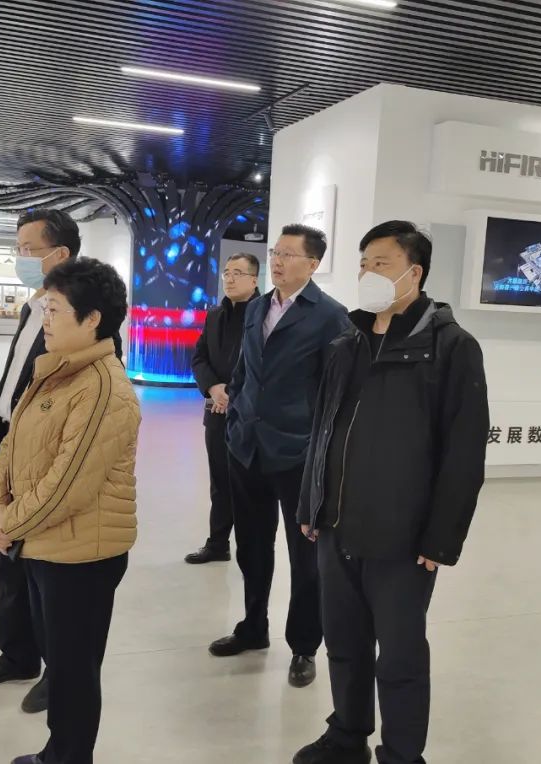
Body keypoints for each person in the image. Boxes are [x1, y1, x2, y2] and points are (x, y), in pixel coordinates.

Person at [292, 221, 490, 764]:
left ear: (414, 272)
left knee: (399, 656)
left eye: (381, 263)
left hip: (402, 538)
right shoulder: (346, 343)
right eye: (364, 263)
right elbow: (324, 431)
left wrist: (441, 538)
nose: (368, 273)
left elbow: (464, 453)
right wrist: (312, 502)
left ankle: (402, 754)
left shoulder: (451, 348)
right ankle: (347, 734)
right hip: (336, 526)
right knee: (344, 642)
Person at [0, 258, 139, 764]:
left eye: (54, 310)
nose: (44, 320)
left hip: (81, 555)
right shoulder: (56, 371)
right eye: (44, 309)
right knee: (61, 659)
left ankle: (68, 757)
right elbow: (10, 445)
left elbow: (66, 487)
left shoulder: (102, 389)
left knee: (72, 672)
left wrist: (8, 525)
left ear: (92, 319)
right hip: (44, 544)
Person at [209, 223, 350, 689]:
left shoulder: (330, 316)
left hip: (297, 455)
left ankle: (304, 646)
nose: (278, 260)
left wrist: (319, 448)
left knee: (305, 557)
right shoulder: (256, 307)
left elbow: (337, 391)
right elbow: (245, 371)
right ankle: (253, 626)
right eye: (276, 252)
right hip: (246, 448)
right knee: (251, 546)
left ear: (313, 263)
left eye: (289, 254)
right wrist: (236, 419)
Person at [0, 209, 81, 714]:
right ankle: (17, 655)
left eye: (29, 249)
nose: (21, 258)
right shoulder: (35, 305)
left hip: (45, 452)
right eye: (18, 248)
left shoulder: (78, 314)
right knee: (8, 551)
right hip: (9, 437)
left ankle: (59, 671)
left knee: (46, 567)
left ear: (61, 254)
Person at [186, 253, 260, 564]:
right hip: (216, 412)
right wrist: (214, 387)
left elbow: (265, 366)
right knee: (220, 482)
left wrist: (235, 393)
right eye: (227, 272)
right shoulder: (215, 315)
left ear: (254, 279)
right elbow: (199, 357)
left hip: (251, 416)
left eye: (237, 273)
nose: (229, 278)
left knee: (250, 485)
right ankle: (218, 544)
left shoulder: (265, 316)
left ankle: (253, 550)